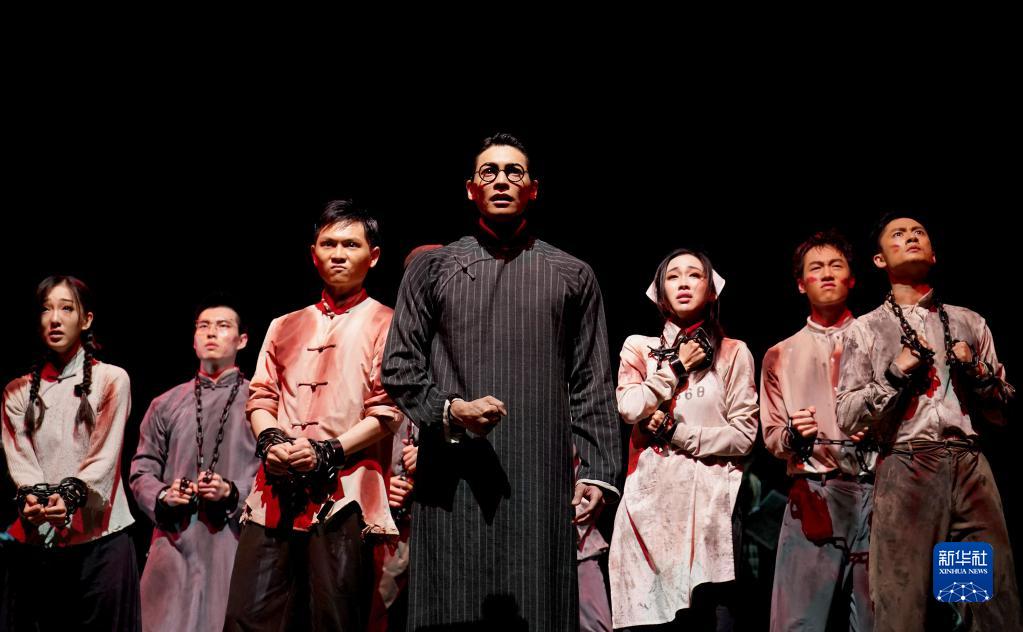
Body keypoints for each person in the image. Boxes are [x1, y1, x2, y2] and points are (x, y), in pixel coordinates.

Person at [382, 133, 621, 630]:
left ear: (533, 188)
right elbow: (400, 368)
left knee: (538, 610)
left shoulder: (572, 274)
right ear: (471, 188)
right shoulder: (431, 269)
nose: (502, 180)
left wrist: (598, 469)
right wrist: (452, 411)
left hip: (540, 476)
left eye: (514, 172)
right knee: (450, 613)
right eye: (489, 172)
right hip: (452, 473)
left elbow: (591, 380)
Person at [224, 200, 403, 631]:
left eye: (351, 244)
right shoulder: (283, 324)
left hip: (346, 495)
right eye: (328, 244)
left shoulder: (388, 322)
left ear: (373, 256)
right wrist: (272, 442)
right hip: (275, 490)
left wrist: (328, 451)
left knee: (333, 618)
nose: (338, 254)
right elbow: (261, 397)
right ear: (313, 253)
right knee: (248, 617)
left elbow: (387, 410)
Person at [836, 213, 1020, 631]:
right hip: (908, 467)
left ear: (933, 254)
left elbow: (1003, 410)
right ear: (880, 260)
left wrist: (976, 371)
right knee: (904, 602)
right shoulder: (867, 329)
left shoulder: (968, 322)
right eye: (898, 235)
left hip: (967, 468)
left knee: (981, 600)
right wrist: (895, 373)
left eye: (918, 232)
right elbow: (847, 415)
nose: (911, 237)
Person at [608, 249, 757, 630]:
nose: (684, 283)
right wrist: (675, 366)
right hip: (649, 507)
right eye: (673, 277)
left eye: (695, 275)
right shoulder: (638, 347)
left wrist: (677, 433)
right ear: (659, 294)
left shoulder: (734, 352)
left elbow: (743, 437)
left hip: (712, 507)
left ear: (712, 290)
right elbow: (630, 407)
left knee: (713, 617)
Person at [2, 275, 139, 630]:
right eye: (46, 309)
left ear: (86, 319)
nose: (55, 319)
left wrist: (70, 495)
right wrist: (33, 497)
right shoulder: (17, 392)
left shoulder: (112, 379)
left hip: (101, 541)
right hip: (41, 542)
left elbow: (104, 456)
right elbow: (21, 460)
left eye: (66, 308)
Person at [760, 230, 875, 632]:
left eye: (835, 266)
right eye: (816, 267)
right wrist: (794, 435)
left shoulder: (880, 340)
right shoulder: (780, 354)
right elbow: (772, 436)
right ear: (800, 283)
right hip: (814, 493)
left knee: (880, 620)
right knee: (797, 623)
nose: (826, 274)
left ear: (851, 278)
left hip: (878, 493)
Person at [129, 296, 259, 632]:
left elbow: (273, 472)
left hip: (235, 540)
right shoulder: (166, 403)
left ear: (242, 340)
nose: (211, 333)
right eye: (204, 326)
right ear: (193, 339)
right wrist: (163, 495)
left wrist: (233, 491)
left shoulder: (260, 403)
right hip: (174, 541)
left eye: (223, 326)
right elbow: (142, 468)